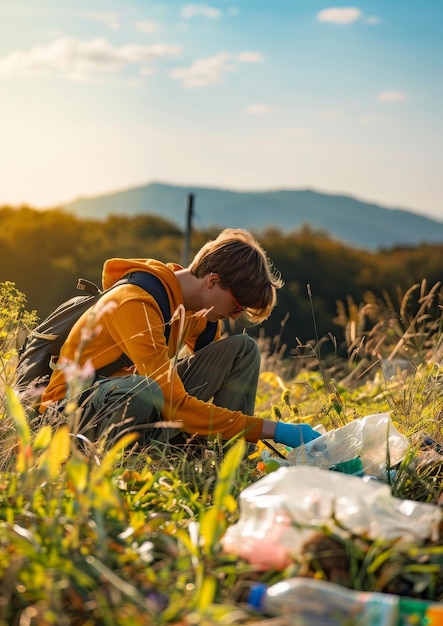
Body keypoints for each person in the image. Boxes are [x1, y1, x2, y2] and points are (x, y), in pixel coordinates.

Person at [40, 228, 320, 451]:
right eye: (236, 306)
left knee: (242, 350)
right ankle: (130, 456)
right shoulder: (136, 303)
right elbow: (175, 403)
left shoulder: (198, 313)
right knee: (141, 389)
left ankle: (230, 458)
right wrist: (275, 430)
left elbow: (206, 383)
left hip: (137, 401)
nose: (234, 316)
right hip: (72, 413)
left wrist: (242, 430)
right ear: (212, 281)